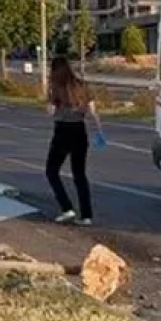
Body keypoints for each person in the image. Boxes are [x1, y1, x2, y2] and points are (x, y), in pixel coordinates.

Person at [45, 57, 101, 225]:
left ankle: (67, 208)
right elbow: (93, 111)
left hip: (63, 131)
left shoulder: (56, 88)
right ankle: (86, 215)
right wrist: (99, 131)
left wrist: (49, 102)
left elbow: (50, 111)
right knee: (79, 174)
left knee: (52, 171)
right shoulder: (82, 85)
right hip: (79, 130)